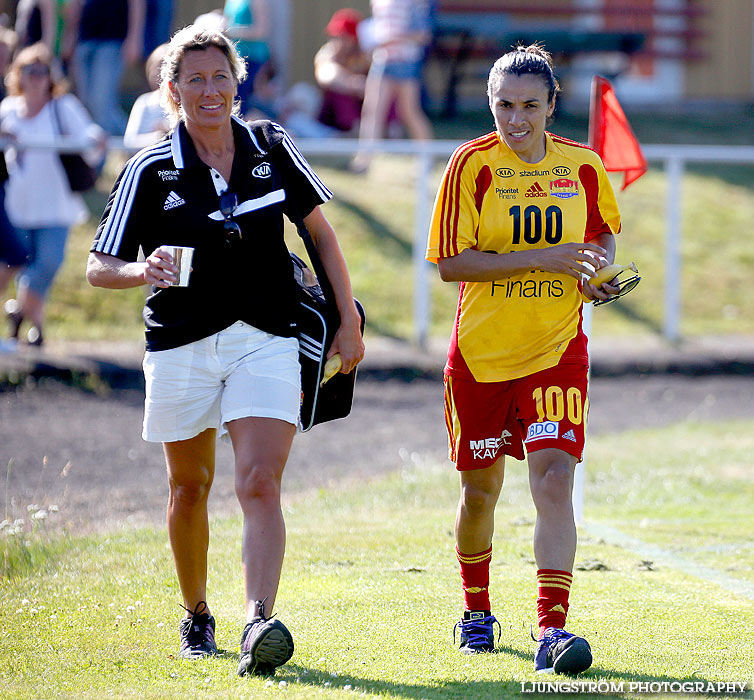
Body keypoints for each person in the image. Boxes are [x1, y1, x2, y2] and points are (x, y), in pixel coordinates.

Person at [86, 24, 364, 674]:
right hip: (180, 342)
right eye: (195, 80)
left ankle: (258, 622)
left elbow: (322, 235)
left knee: (259, 483)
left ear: (237, 84)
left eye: (220, 78)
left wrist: (347, 318)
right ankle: (197, 613)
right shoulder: (148, 167)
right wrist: (141, 269)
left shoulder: (272, 144)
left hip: (266, 337)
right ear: (173, 89)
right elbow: (100, 266)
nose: (209, 91)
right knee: (189, 487)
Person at [425, 44, 622, 675]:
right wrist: (544, 259)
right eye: (505, 105)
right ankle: (476, 610)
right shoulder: (470, 165)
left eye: (530, 106)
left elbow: (599, 235)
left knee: (555, 479)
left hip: (557, 351)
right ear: (490, 104)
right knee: (480, 493)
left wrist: (597, 273)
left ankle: (553, 631)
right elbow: (451, 263)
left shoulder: (583, 166)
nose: (516, 119)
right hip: (482, 358)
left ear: (551, 106)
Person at [1, 42, 104, 347]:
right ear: (18, 75)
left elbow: (89, 137)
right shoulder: (7, 110)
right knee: (16, 265)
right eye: (29, 71)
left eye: (42, 72)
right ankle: (35, 328)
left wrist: (93, 140)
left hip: (55, 207)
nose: (35, 78)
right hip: (17, 206)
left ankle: (17, 311)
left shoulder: (64, 106)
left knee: (44, 265)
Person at [350, 0, 433, 173]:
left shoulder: (414, 3)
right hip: (382, 60)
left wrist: (392, 40)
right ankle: (363, 161)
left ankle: (426, 158)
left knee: (409, 111)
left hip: (406, 62)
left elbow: (422, 35)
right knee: (372, 110)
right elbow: (377, 28)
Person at [62, 0, 145, 134]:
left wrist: (135, 38)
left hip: (113, 38)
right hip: (84, 39)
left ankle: (126, 144)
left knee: (100, 102)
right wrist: (69, 36)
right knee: (87, 105)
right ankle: (131, 138)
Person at [314, 8, 370, 134]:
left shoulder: (364, 53)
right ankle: (352, 134)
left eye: (344, 37)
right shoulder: (328, 52)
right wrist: (352, 83)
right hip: (332, 117)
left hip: (363, 110)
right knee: (339, 92)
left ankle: (389, 135)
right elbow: (326, 75)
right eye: (335, 36)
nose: (338, 41)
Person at [223, 0, 270, 117]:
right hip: (233, 58)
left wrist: (232, 31)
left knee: (242, 98)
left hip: (252, 58)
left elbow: (261, 30)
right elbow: (225, 22)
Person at [123, 42, 169, 149]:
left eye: (165, 66)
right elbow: (130, 142)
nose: (160, 73)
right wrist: (158, 136)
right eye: (157, 67)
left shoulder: (185, 102)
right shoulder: (144, 102)